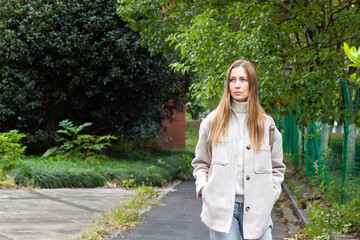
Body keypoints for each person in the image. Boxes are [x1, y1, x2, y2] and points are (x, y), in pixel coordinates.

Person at [191, 59, 286, 240]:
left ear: (252, 84)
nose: (237, 85)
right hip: (220, 207)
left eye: (243, 79)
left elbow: (277, 168)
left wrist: (270, 195)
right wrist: (204, 189)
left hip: (258, 208)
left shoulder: (267, 125)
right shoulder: (212, 122)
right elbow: (201, 163)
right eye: (232, 80)